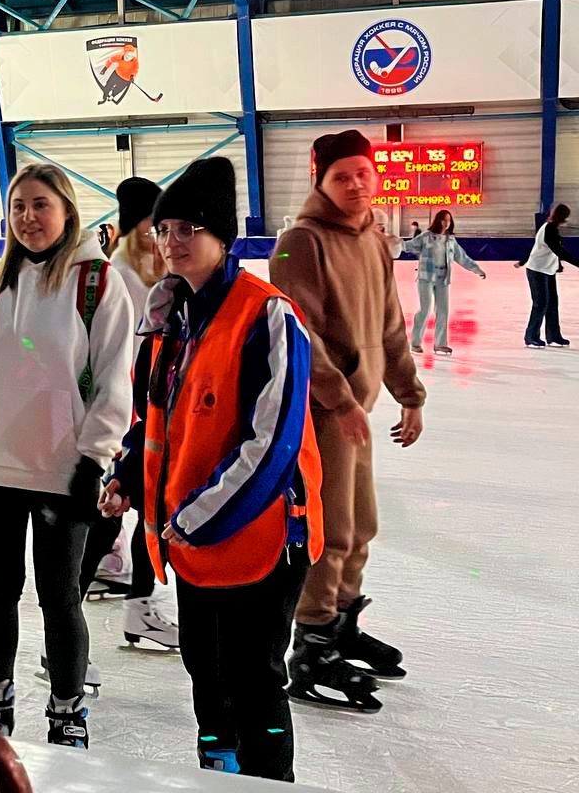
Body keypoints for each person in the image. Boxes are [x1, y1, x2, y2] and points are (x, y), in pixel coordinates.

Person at [100, 158, 323, 781]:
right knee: (204, 669)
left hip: (263, 539)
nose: (172, 242)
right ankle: (217, 772)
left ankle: (267, 780)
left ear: (222, 237)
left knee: (254, 683)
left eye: (189, 229)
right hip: (194, 541)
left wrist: (192, 517)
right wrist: (125, 475)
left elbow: (272, 446)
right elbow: (156, 419)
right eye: (165, 228)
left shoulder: (267, 317)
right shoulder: (170, 318)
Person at [0, 163, 134, 749]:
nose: (28, 217)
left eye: (40, 205)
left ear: (67, 211)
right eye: (18, 206)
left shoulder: (96, 281)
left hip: (62, 469)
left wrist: (93, 458)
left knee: (59, 595)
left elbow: (115, 382)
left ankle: (67, 710)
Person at [271, 129, 426, 714]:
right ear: (321, 181)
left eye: (363, 172)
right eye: (342, 176)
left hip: (357, 412)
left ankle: (340, 626)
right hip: (322, 412)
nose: (355, 184)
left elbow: (390, 325)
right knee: (332, 528)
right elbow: (295, 333)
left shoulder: (374, 241)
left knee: (362, 527)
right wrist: (337, 399)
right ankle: (310, 645)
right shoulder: (299, 243)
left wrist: (409, 393)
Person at [79, 176, 179, 657]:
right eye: (148, 226)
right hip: (123, 416)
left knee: (147, 514)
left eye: (159, 227)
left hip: (151, 417)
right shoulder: (116, 274)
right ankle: (67, 618)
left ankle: (140, 606)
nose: (157, 237)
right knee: (108, 515)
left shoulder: (156, 277)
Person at [403, 210, 485, 355]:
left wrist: (476, 269)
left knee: (442, 311)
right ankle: (415, 343)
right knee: (425, 309)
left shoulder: (450, 240)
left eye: (448, 220)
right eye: (443, 220)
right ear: (437, 221)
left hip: (443, 278)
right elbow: (408, 246)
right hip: (426, 278)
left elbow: (462, 257)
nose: (445, 223)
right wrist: (391, 243)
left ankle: (440, 344)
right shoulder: (426, 237)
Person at [520, 203, 574, 348]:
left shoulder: (552, 228)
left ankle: (554, 336)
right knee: (541, 303)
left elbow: (553, 251)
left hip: (547, 270)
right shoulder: (549, 229)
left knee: (552, 303)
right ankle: (531, 336)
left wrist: (558, 265)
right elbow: (558, 250)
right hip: (536, 270)